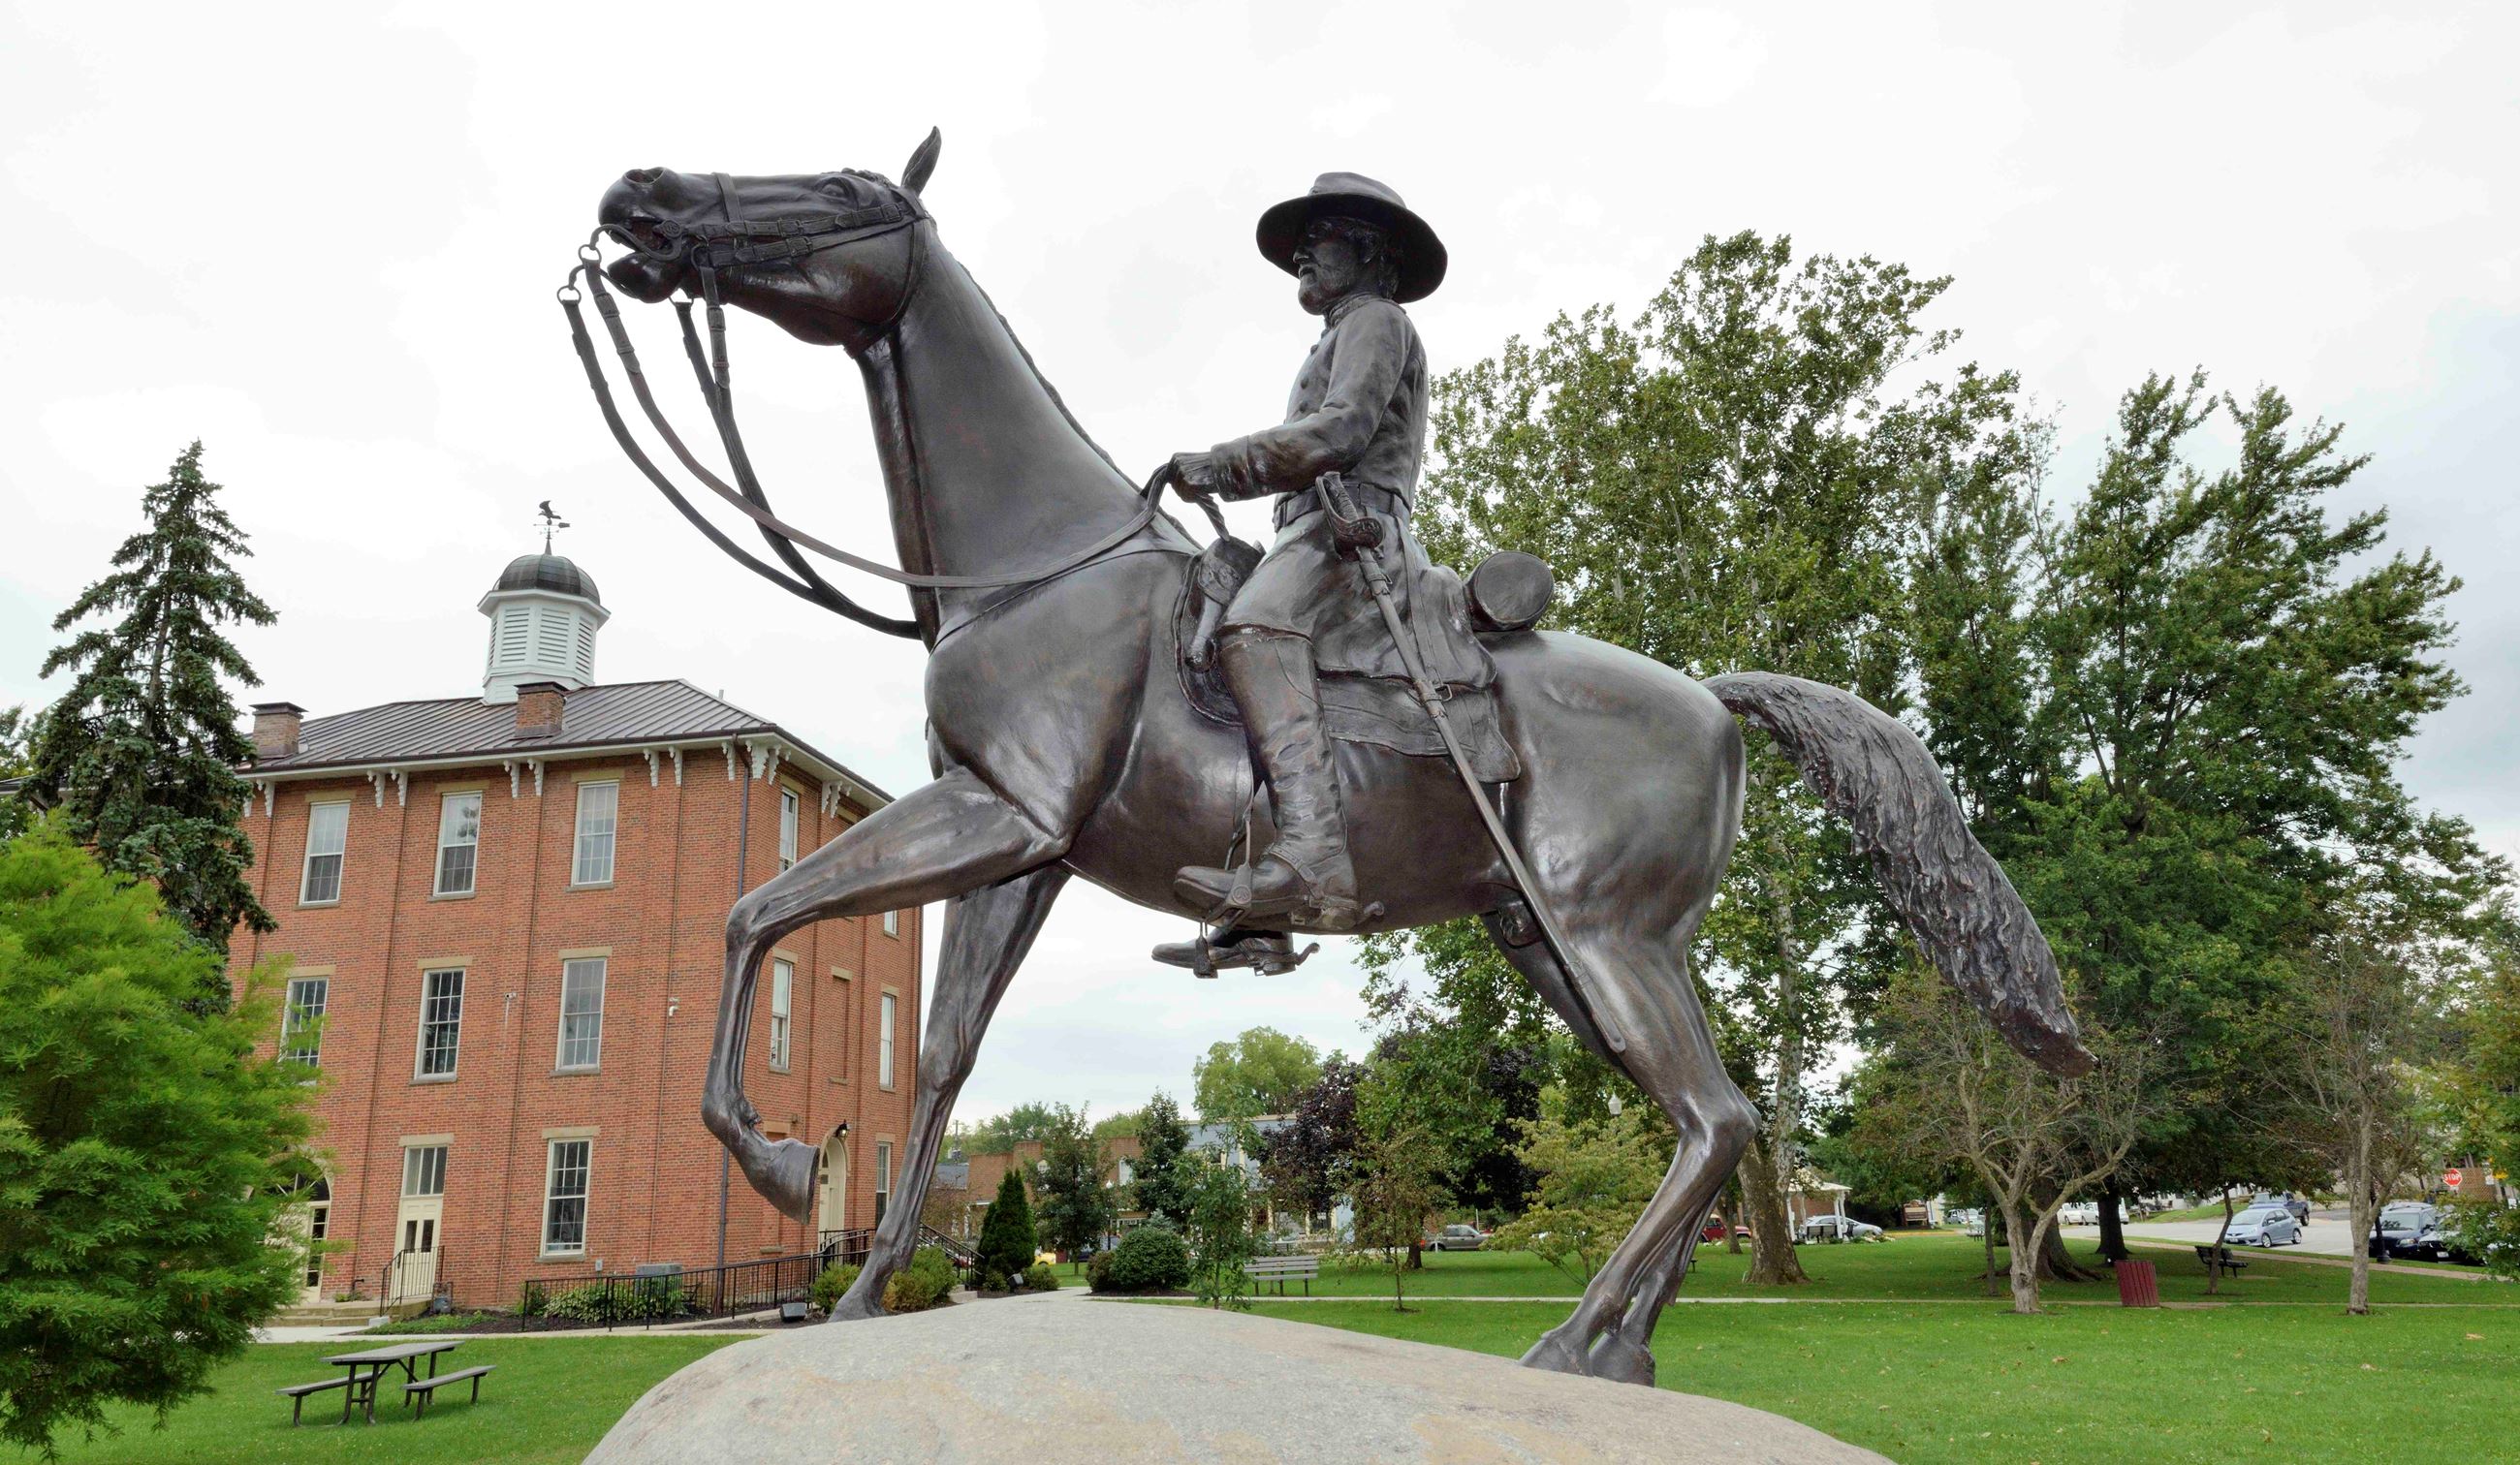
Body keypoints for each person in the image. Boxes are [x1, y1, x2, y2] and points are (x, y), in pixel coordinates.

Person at [1163, 173, 1447, 930]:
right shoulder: (1338, 333)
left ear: (1367, 249)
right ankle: (1257, 900)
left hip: (1349, 533)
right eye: (1298, 247)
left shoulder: (1377, 321)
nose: (1299, 257)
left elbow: (1342, 432)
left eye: (1315, 241)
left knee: (1254, 627)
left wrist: (1225, 463)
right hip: (1305, 529)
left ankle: (1317, 855)